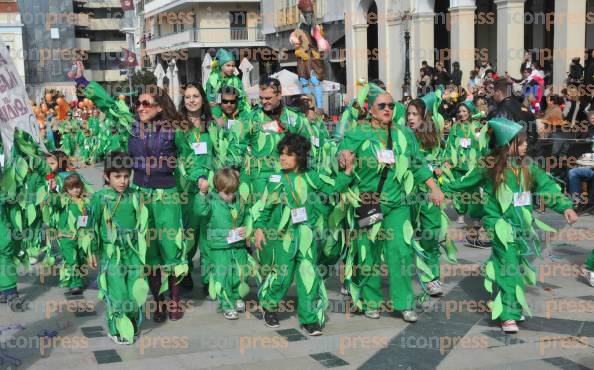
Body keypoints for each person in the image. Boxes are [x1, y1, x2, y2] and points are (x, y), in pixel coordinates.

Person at [442, 118, 578, 333]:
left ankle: (508, 303)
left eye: (525, 142)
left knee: (513, 265)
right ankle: (508, 314)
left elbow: (547, 186)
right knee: (508, 266)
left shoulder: (528, 166)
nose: (526, 145)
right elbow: (464, 183)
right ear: (507, 144)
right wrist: (439, 188)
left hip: (521, 226)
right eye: (521, 142)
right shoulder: (489, 166)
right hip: (498, 225)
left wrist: (565, 207)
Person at [338, 83, 444, 322]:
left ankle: (404, 303)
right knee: (369, 254)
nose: (388, 109)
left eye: (391, 105)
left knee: (401, 252)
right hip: (368, 202)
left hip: (397, 203)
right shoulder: (358, 132)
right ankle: (370, 301)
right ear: (371, 109)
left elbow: (417, 163)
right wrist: (342, 156)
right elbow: (341, 151)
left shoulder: (403, 134)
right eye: (382, 106)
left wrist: (434, 188)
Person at [254, 133, 354, 335]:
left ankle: (309, 319)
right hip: (282, 236)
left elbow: (333, 188)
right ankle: (269, 306)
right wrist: (258, 228)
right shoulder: (276, 179)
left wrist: (348, 171)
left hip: (307, 233)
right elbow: (265, 207)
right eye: (281, 154)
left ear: (300, 156)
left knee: (308, 275)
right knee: (282, 275)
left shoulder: (312, 176)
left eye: (288, 155)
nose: (282, 158)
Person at [128, 86, 188, 322]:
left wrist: (201, 178)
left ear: (160, 106)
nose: (140, 107)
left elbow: (190, 157)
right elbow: (109, 107)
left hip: (168, 194)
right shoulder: (132, 127)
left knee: (172, 248)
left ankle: (174, 301)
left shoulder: (174, 130)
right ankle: (159, 301)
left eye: (146, 103)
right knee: (149, 250)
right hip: (141, 194)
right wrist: (82, 81)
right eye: (138, 103)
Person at [88, 152, 149, 345]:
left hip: (133, 252)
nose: (123, 181)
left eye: (126, 176)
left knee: (133, 289)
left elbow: (143, 223)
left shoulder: (135, 195)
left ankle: (130, 324)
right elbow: (91, 226)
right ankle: (116, 329)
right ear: (107, 176)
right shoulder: (99, 198)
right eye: (117, 176)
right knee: (117, 292)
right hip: (111, 252)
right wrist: (92, 251)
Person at [406, 99, 454, 296]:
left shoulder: (433, 137)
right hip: (406, 193)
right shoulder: (401, 136)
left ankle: (431, 277)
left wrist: (441, 167)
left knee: (431, 234)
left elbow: (445, 157)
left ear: (423, 117)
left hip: (429, 194)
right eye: (408, 114)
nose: (410, 118)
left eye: (414, 114)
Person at [194, 167, 251, 320]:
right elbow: (200, 211)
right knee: (223, 276)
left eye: (233, 192)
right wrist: (202, 194)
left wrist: (247, 230)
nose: (230, 196)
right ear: (218, 189)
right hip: (220, 247)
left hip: (238, 246)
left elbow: (247, 215)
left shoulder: (239, 200)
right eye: (227, 193)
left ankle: (238, 296)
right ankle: (227, 303)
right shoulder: (211, 201)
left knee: (240, 273)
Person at [176, 82, 214, 291]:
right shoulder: (178, 126)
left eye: (195, 96)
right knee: (189, 234)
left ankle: (209, 279)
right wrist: (196, 177)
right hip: (187, 188)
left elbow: (219, 153)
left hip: (210, 187)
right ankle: (186, 270)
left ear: (202, 99)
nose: (191, 100)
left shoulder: (212, 124)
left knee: (208, 234)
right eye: (187, 96)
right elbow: (182, 157)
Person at [55, 173, 92, 295]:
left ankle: (79, 279)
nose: (75, 190)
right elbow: (52, 202)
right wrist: (51, 191)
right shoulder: (64, 201)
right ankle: (75, 284)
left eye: (77, 187)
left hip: (82, 237)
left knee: (81, 259)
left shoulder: (85, 201)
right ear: (66, 189)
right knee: (72, 260)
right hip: (67, 237)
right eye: (71, 188)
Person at [205, 48, 248, 118]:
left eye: (233, 66)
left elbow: (242, 97)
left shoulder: (236, 80)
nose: (231, 68)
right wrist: (217, 114)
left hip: (234, 113)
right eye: (228, 65)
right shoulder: (213, 80)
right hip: (216, 113)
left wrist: (238, 109)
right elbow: (210, 99)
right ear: (221, 66)